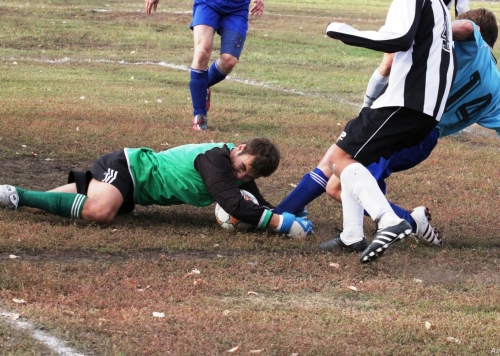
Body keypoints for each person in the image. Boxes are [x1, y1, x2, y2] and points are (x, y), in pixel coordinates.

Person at [275, 9, 500, 253]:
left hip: (408, 123)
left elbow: (455, 29)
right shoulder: (499, 95)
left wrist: (419, 32)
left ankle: (411, 222)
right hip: (422, 137)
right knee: (337, 159)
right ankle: (282, 213)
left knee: (338, 184)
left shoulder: (473, 38)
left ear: (479, 31)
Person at [277, 0, 455, 264]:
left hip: (405, 103)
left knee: (339, 159)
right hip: (425, 110)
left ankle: (388, 221)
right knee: (350, 163)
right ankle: (352, 236)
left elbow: (398, 40)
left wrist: (345, 32)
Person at [0, 138, 314, 238]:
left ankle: (13, 197)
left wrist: (284, 214)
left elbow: (253, 204)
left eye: (245, 177)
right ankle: (17, 192)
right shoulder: (216, 159)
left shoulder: (236, 173)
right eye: (241, 166)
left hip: (131, 191)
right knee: (99, 212)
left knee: (40, 204)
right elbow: (234, 204)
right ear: (239, 148)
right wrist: (283, 224)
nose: (239, 175)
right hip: (126, 169)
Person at [145, 0, 281, 131]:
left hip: (237, 5)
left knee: (228, 61)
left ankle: (202, 85)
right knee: (202, 52)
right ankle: (199, 116)